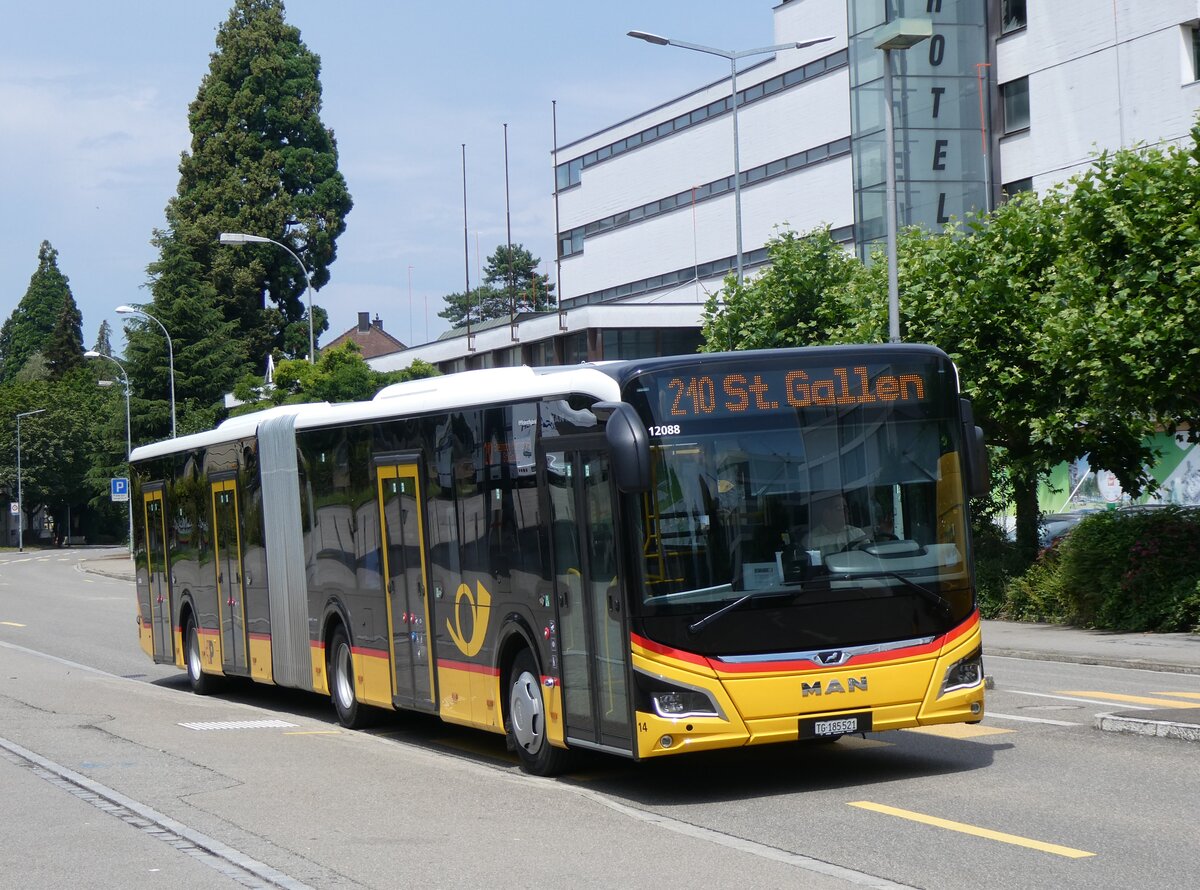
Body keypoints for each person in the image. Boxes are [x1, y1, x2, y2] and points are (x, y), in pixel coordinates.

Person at [803, 493, 869, 557]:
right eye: (840, 508)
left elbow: (871, 559)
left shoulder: (857, 533)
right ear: (826, 513)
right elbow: (814, 567)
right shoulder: (811, 540)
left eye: (846, 508)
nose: (846, 511)